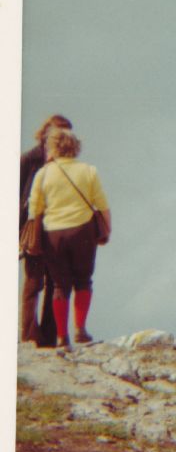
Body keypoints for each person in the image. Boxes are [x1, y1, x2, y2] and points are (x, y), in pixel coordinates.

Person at [27, 127, 111, 348]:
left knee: (59, 285)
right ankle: (80, 329)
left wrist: (35, 240)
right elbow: (102, 206)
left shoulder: (43, 174)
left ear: (53, 148)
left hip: (53, 234)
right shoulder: (89, 171)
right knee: (83, 280)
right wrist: (107, 231)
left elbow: (35, 210)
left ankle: (62, 336)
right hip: (83, 232)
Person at [19, 114, 73, 346]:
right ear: (46, 135)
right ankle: (30, 334)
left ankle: (49, 337)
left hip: (58, 228)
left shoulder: (67, 164)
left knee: (55, 282)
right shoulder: (29, 160)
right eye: (59, 133)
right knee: (33, 282)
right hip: (34, 228)